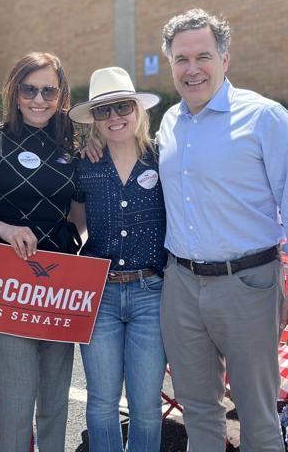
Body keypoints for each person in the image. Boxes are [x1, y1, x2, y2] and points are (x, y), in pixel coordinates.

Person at [157, 9, 288, 452]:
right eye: (181, 59)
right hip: (181, 285)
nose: (192, 69)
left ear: (225, 58)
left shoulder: (265, 117)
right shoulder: (169, 124)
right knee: (198, 414)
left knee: (258, 416)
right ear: (170, 64)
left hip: (248, 285)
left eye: (203, 56)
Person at [0, 52, 78, 452]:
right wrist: (4, 227)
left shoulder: (75, 143)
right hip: (6, 283)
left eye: (49, 90)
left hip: (60, 285)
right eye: (29, 89)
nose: (39, 98)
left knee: (54, 405)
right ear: (15, 94)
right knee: (15, 409)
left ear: (61, 94)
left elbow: (78, 213)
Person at [68, 67, 167, 452]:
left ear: (137, 110)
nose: (114, 118)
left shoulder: (163, 158)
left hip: (152, 293)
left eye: (122, 107)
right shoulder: (84, 165)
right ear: (94, 119)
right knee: (102, 402)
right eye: (103, 111)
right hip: (99, 296)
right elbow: (72, 226)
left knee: (146, 406)